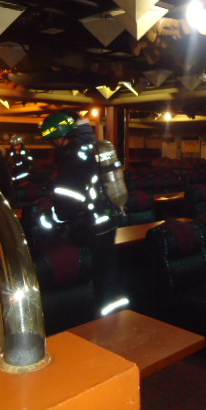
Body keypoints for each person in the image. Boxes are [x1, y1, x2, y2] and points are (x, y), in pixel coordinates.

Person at [40, 112, 125, 313]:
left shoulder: (71, 158)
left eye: (52, 141)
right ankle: (114, 314)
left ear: (60, 138)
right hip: (108, 220)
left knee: (94, 275)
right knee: (107, 269)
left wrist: (48, 220)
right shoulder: (92, 148)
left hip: (89, 226)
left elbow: (68, 204)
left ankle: (99, 318)